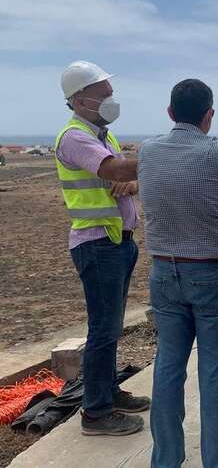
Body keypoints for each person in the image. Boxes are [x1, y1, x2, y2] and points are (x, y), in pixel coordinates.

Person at [138, 79, 218, 468]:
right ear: (210, 115)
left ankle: (166, 460)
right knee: (215, 372)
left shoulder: (148, 150)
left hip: (163, 272)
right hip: (212, 273)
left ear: (170, 113)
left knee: (168, 366)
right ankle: (217, 462)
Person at [55, 60, 150, 437]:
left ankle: (108, 392)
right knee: (103, 329)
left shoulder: (102, 136)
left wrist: (131, 184)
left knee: (111, 327)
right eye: (104, 95)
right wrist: (162, 158)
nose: (112, 100)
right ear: (80, 101)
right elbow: (115, 170)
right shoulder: (75, 137)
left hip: (115, 242)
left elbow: (120, 178)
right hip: (97, 245)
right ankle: (95, 412)